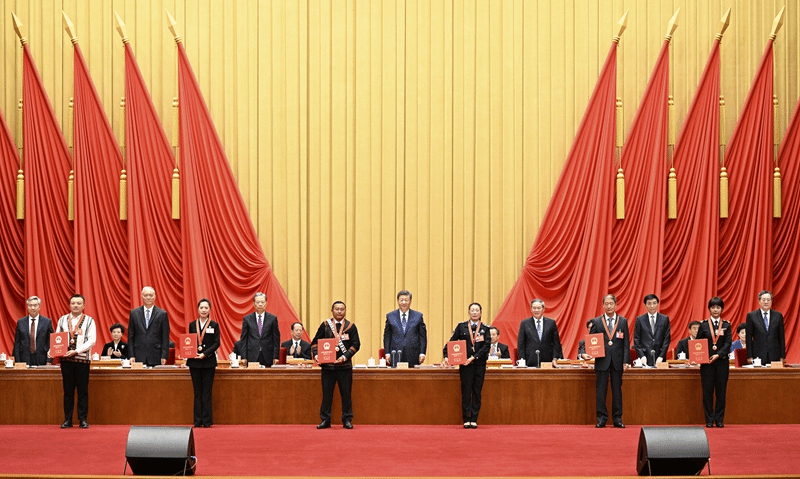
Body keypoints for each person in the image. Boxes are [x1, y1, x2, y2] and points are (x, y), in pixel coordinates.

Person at [441, 303, 492, 429]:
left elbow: (486, 346)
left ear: (480, 312)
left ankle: (474, 419)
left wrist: (473, 357)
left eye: (477, 310)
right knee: (466, 391)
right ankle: (466, 418)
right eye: (472, 310)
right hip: (465, 365)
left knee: (477, 391)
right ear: (469, 312)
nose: (474, 312)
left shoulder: (485, 328)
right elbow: (452, 342)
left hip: (479, 364)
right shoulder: (461, 326)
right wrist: (446, 355)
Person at [311, 301, 360, 429]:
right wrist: (316, 355)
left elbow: (356, 344)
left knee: (346, 395)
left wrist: (345, 357)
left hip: (345, 367)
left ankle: (347, 420)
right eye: (337, 309)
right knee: (327, 395)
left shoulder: (350, 326)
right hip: (328, 367)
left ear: (345, 311)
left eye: (342, 309)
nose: (339, 311)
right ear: (332, 310)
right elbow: (315, 342)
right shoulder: (325, 325)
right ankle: (325, 420)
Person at [587, 294, 629, 428]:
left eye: (611, 304)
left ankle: (617, 419)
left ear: (616, 305)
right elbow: (591, 340)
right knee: (601, 391)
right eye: (606, 304)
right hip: (602, 361)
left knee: (617, 391)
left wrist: (625, 361)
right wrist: (589, 353)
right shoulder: (597, 321)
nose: (609, 306)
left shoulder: (623, 321)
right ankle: (601, 418)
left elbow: (626, 343)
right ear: (603, 305)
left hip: (617, 361)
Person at [56, 294, 96, 429]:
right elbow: (57, 338)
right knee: (68, 391)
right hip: (66, 360)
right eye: (73, 303)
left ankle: (82, 419)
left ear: (84, 305)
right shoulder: (62, 320)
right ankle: (67, 419)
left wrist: (76, 351)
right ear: (69, 305)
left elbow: (92, 340)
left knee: (82, 391)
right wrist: (53, 351)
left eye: (79, 303)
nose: (75, 305)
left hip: (82, 361)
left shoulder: (89, 321)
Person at [696, 296, 732, 428]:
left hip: (722, 363)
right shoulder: (703, 325)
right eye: (713, 307)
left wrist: (718, 354)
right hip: (707, 364)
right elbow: (698, 343)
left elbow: (728, 343)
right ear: (709, 309)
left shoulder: (726, 325)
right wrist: (700, 357)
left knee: (721, 392)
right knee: (707, 392)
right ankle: (709, 419)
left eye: (718, 307)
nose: (715, 310)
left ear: (722, 309)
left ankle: (719, 419)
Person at [187, 298, 220, 428]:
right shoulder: (192, 325)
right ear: (197, 309)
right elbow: (189, 341)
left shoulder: (214, 325)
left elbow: (217, 343)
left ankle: (207, 420)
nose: (204, 310)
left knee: (207, 392)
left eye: (206, 308)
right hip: (194, 362)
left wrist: (205, 354)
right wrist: (189, 353)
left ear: (210, 310)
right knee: (197, 392)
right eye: (201, 308)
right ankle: (197, 420)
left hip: (208, 362)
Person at [383, 290, 427, 367]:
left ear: (410, 301)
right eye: (401, 300)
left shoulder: (418, 316)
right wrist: (387, 353)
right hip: (395, 354)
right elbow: (387, 336)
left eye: (406, 300)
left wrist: (422, 353)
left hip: (413, 354)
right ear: (398, 301)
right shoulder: (390, 316)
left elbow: (422, 336)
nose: (404, 302)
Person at [128, 286, 170, 366]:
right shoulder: (134, 314)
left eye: (151, 295)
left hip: (156, 355)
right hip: (138, 355)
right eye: (146, 295)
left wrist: (164, 355)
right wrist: (131, 355)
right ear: (142, 297)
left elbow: (165, 336)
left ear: (155, 297)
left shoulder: (162, 314)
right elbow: (131, 336)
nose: (148, 297)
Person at [517, 299, 563, 367]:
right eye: (534, 308)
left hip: (548, 361)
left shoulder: (551, 323)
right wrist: (522, 360)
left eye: (538, 308)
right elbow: (521, 344)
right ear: (531, 309)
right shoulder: (524, 323)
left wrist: (555, 358)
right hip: (530, 360)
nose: (536, 310)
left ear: (543, 309)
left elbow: (556, 343)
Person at [239, 292, 281, 367]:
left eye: (262, 302)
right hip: (252, 355)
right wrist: (243, 356)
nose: (260, 304)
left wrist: (276, 356)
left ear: (266, 303)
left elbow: (276, 339)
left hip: (268, 355)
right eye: (258, 302)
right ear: (254, 304)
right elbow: (244, 339)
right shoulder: (247, 319)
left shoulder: (272, 319)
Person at [745, 290, 785, 365]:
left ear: (771, 301)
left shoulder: (778, 316)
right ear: (759, 301)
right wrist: (749, 356)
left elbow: (781, 337)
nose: (766, 302)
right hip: (758, 354)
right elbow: (748, 338)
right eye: (763, 300)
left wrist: (782, 356)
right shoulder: (751, 316)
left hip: (774, 354)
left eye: (768, 300)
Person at [13, 296, 54, 366]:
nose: (32, 308)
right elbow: (17, 343)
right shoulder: (21, 322)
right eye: (30, 305)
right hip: (24, 358)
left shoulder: (47, 322)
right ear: (27, 307)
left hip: (42, 358)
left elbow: (51, 342)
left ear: (39, 307)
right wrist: (17, 361)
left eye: (35, 305)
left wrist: (49, 360)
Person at [633, 294, 671, 366]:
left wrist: (661, 356)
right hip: (645, 357)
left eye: (654, 303)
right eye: (649, 303)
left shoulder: (664, 319)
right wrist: (642, 355)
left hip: (660, 357)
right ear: (645, 305)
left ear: (657, 304)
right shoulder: (640, 320)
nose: (652, 306)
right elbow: (636, 339)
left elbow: (667, 339)